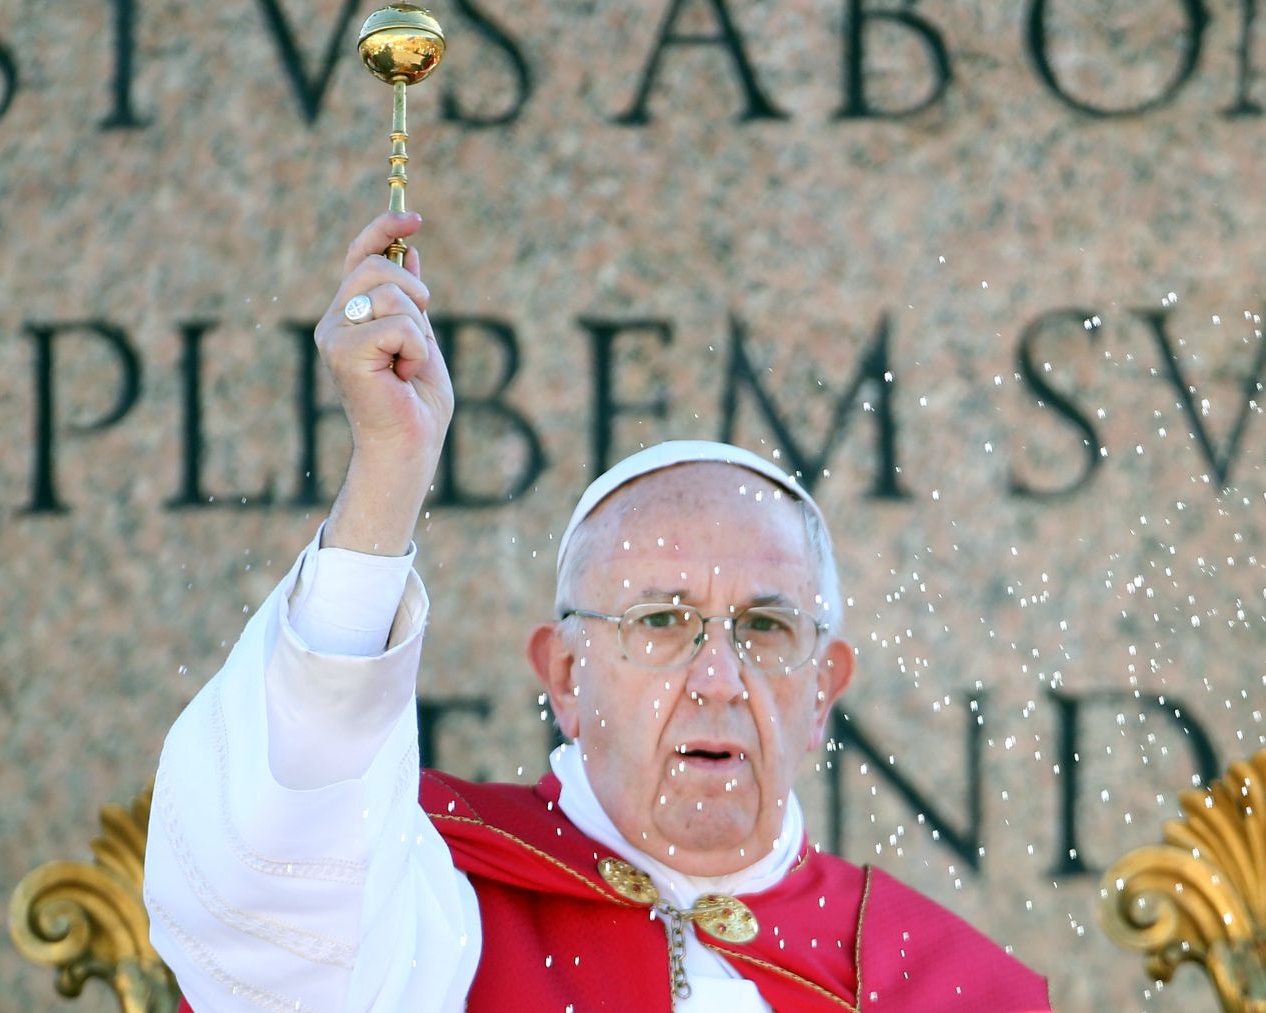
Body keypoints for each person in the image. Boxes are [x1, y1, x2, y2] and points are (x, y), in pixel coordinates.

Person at [143, 212, 1051, 1012]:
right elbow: (270, 896)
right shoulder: (427, 893)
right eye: (661, 620)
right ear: (566, 676)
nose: (719, 678)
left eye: (767, 628)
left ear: (824, 688)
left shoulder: (945, 985)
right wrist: (388, 473)